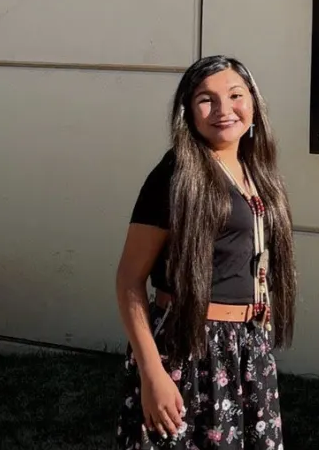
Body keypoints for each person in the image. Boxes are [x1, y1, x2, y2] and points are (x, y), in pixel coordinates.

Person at [114, 55, 297, 448]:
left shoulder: (257, 171)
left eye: (235, 95)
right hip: (187, 348)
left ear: (253, 102)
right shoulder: (175, 174)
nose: (223, 110)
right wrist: (152, 373)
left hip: (247, 346)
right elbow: (129, 279)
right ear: (188, 111)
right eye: (206, 99)